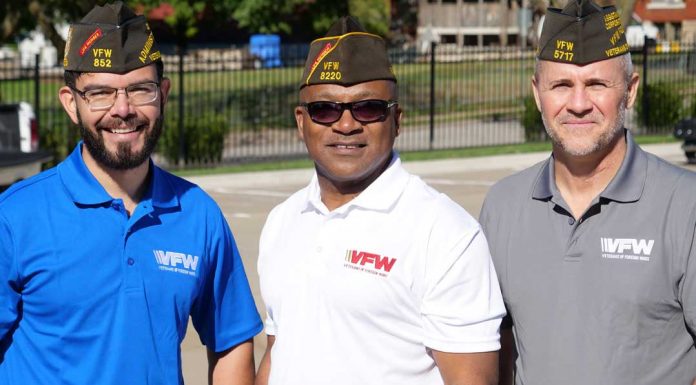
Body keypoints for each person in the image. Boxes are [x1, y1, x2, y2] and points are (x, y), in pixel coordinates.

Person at [0, 3, 262, 384]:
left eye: (141, 89)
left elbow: (232, 340)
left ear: (164, 94)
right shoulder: (14, 216)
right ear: (71, 104)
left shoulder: (198, 214)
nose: (122, 110)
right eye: (100, 94)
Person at [255, 16, 505, 385]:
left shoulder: (444, 232)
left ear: (397, 119)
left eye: (368, 108)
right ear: (301, 121)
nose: (345, 125)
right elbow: (279, 351)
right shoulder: (282, 220)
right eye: (324, 109)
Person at [479, 1, 696, 384]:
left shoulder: (685, 206)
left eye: (597, 84)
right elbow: (495, 344)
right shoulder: (503, 206)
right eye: (561, 85)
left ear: (629, 91)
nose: (578, 104)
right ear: (537, 94)